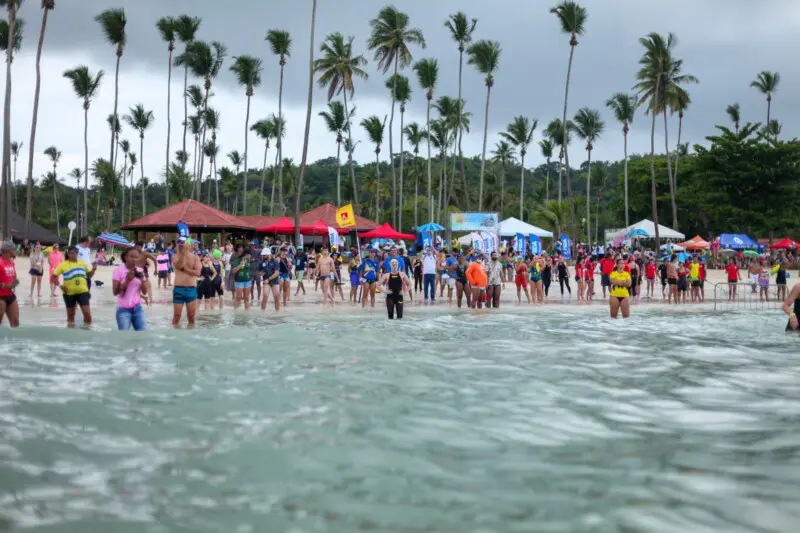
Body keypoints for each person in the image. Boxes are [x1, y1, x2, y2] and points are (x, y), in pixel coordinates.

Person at [52, 245, 97, 325]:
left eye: (76, 253)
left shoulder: (82, 263)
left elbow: (89, 276)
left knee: (87, 313)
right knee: (71, 315)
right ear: (68, 254)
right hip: (69, 293)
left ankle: (87, 332)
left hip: (83, 291)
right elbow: (53, 277)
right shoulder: (63, 264)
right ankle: (70, 332)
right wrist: (60, 286)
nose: (74, 255)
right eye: (72, 253)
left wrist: (93, 269)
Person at [112, 248, 147, 331]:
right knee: (124, 336)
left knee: (143, 335)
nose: (134, 259)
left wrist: (142, 279)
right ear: (125, 257)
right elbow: (115, 292)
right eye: (131, 256)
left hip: (137, 309)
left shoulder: (140, 270)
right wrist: (128, 280)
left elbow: (145, 292)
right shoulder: (118, 271)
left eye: (136, 257)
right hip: (123, 309)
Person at [172, 237, 202, 326]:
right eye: (179, 243)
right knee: (176, 316)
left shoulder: (195, 257)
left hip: (191, 289)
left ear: (189, 245)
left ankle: (190, 337)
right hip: (178, 289)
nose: (180, 245)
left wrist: (186, 269)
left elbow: (198, 273)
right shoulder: (175, 256)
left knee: (191, 317)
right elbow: (178, 266)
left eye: (182, 243)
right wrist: (184, 253)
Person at [0, 242, 20, 327]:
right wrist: (5, 285)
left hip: (11, 295)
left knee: (15, 322)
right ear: (8, 250)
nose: (15, 251)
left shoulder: (11, 262)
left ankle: (13, 340)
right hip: (1, 296)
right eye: (13, 249)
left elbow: (15, 277)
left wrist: (15, 283)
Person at [230, 244, 252, 310]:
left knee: (247, 298)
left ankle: (247, 314)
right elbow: (233, 271)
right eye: (249, 254)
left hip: (247, 280)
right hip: (239, 281)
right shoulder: (238, 260)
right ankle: (235, 313)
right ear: (246, 254)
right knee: (238, 297)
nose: (250, 256)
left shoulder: (248, 260)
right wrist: (240, 265)